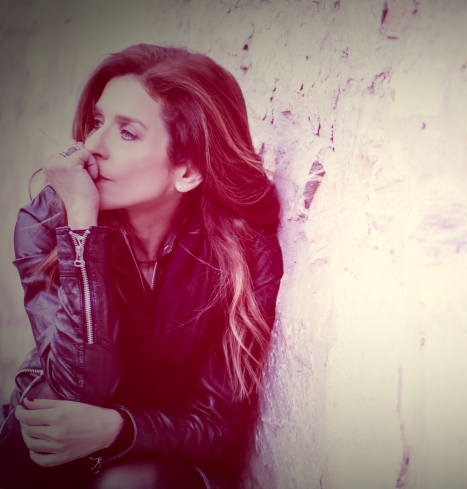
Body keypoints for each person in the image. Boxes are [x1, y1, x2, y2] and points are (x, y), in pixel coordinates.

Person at [0, 44, 283, 489]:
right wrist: (81, 227)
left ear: (187, 171)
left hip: (159, 457)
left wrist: (119, 429)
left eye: (127, 133)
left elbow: (216, 426)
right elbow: (78, 388)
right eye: (97, 123)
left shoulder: (241, 254)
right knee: (32, 442)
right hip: (47, 448)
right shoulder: (47, 222)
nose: (92, 147)